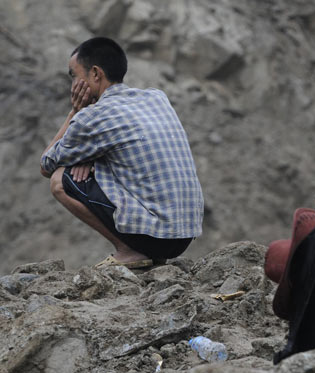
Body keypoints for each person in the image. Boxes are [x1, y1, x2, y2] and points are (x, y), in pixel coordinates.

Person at [40, 37, 204, 268]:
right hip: (185, 233)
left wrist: (75, 113)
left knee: (60, 179)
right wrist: (91, 155)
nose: (73, 85)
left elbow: (46, 165)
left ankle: (128, 250)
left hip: (157, 237)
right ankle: (146, 252)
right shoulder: (157, 97)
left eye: (74, 76)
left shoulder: (94, 116)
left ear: (95, 74)